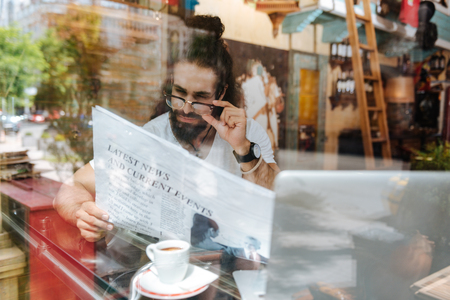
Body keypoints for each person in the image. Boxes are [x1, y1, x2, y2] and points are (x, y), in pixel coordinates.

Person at [53, 15, 280, 243]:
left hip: (233, 268)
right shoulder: (152, 135)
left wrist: (242, 148)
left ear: (220, 94)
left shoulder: (248, 134)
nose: (185, 109)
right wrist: (83, 212)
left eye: (200, 98)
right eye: (179, 93)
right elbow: (72, 186)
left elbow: (275, 201)